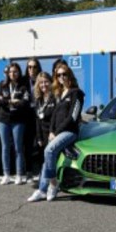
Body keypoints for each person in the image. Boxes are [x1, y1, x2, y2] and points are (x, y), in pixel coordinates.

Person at [28, 63, 84, 202]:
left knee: (48, 152)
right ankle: (41, 190)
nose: (61, 77)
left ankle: (53, 184)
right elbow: (54, 116)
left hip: (69, 132)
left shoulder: (76, 93)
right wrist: (51, 131)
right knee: (47, 160)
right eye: (58, 75)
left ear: (69, 75)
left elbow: (73, 117)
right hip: (56, 133)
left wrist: (56, 132)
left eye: (64, 74)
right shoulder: (59, 93)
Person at [0, 62, 30, 185]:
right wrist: (12, 101)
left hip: (18, 120)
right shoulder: (2, 85)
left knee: (18, 148)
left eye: (15, 71)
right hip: (3, 120)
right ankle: (6, 174)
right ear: (7, 73)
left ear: (19, 72)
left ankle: (19, 174)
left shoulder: (23, 86)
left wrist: (14, 102)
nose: (13, 74)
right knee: (5, 147)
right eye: (10, 71)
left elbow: (25, 101)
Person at [32, 72, 56, 182]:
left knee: (50, 158)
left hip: (53, 134)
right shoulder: (39, 99)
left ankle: (48, 182)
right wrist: (39, 137)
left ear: (51, 82)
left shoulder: (55, 97)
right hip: (43, 133)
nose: (43, 85)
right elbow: (37, 120)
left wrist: (52, 132)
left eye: (46, 82)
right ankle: (46, 180)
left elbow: (55, 118)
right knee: (44, 158)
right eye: (41, 82)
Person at [22, 58, 42, 185]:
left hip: (41, 116)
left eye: (34, 67)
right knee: (28, 145)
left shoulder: (42, 80)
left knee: (41, 143)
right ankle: (28, 171)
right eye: (29, 67)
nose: (32, 69)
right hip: (27, 117)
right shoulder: (23, 81)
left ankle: (41, 170)